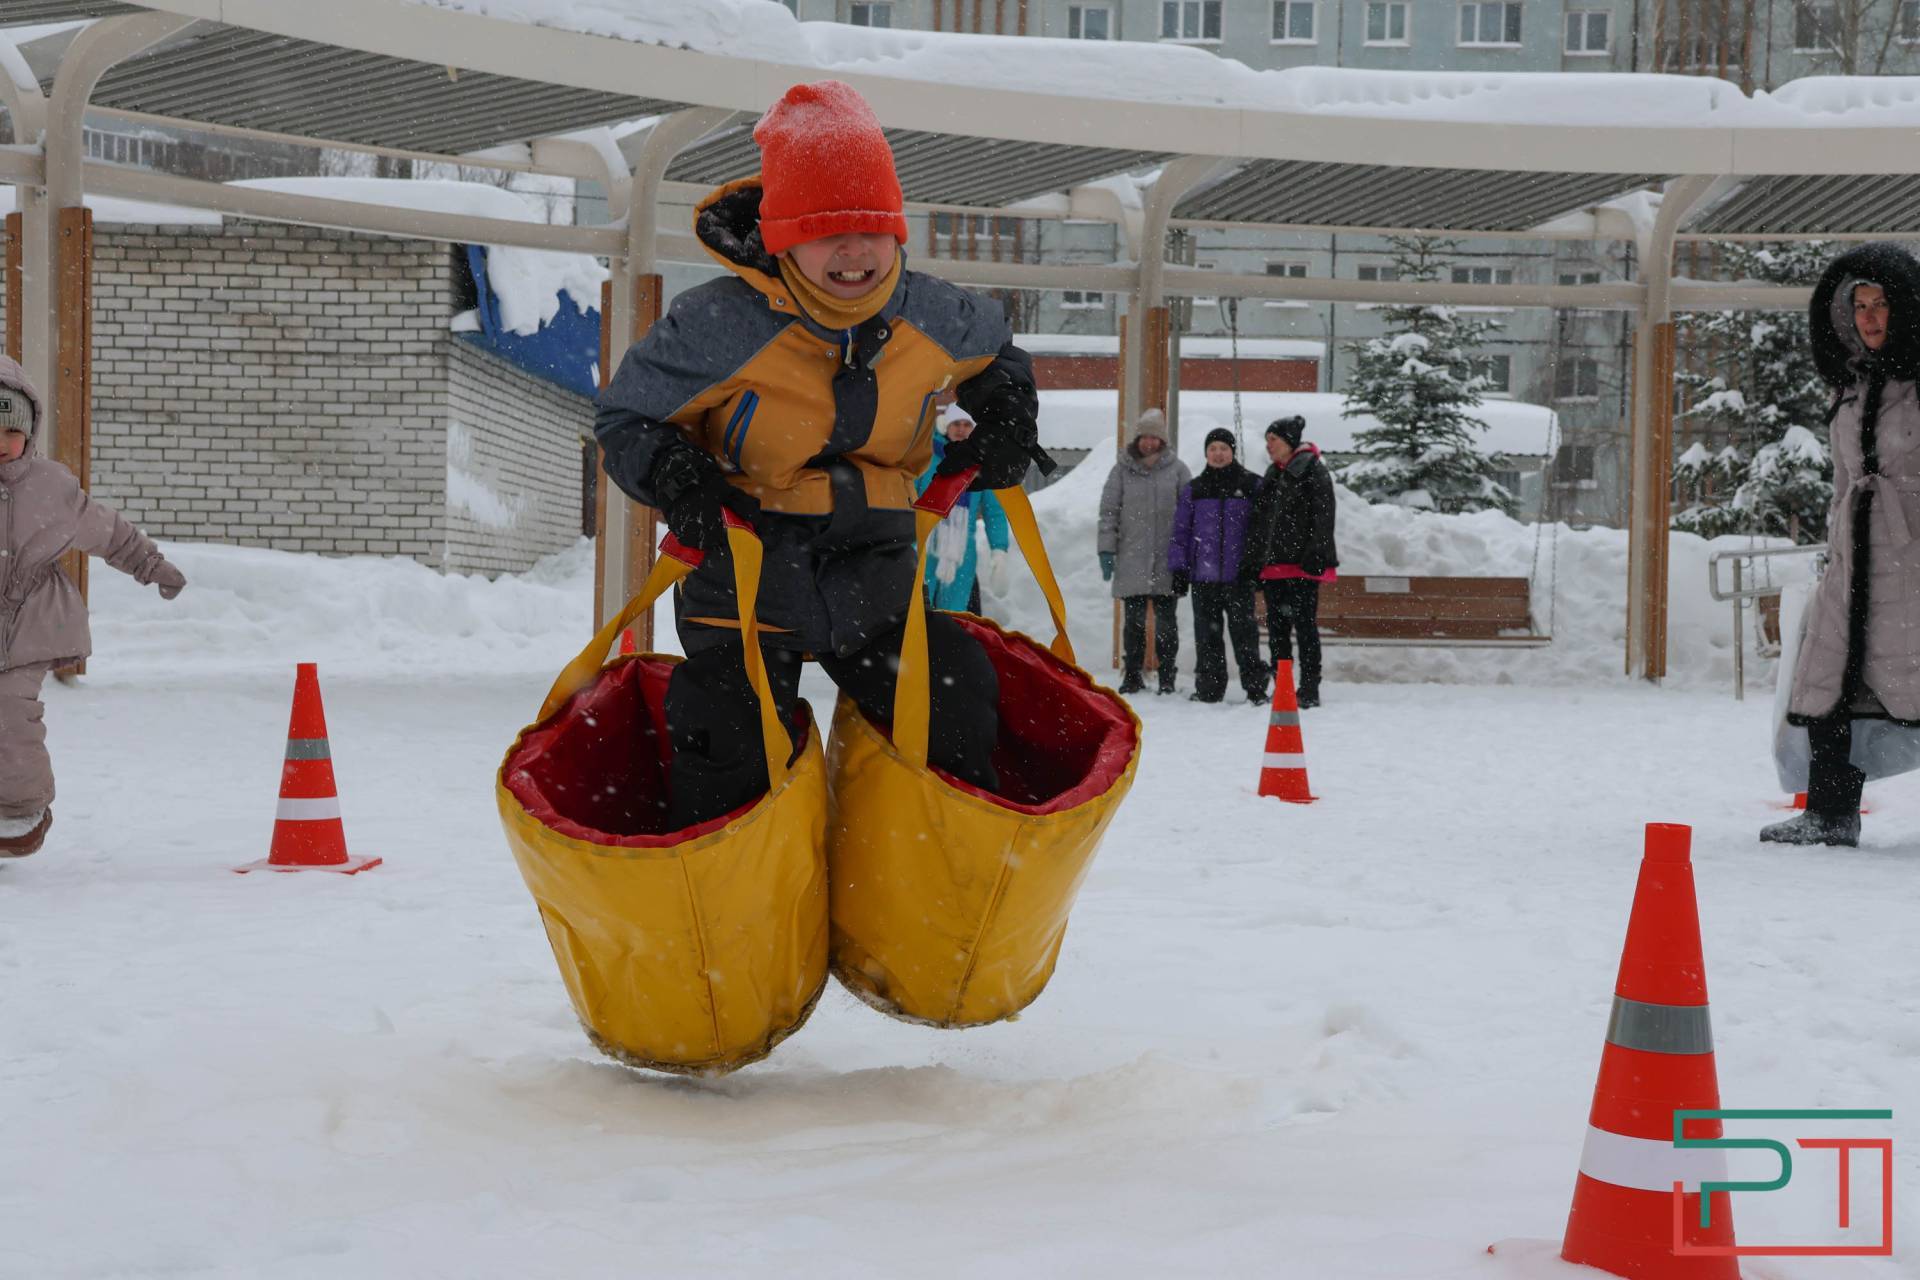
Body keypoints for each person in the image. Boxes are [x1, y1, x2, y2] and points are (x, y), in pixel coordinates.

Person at [594, 80, 1039, 829]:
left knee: (955, 695)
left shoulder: (936, 314)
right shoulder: (717, 326)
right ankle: (741, 928)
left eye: (872, 228)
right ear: (782, 237)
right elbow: (627, 417)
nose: (855, 251)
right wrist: (678, 475)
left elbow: (999, 358)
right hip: (746, 581)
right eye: (827, 229)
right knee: (726, 738)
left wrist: (1007, 412)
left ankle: (919, 912)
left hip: (876, 585)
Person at [0, 355, 186, 858]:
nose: (0, 443)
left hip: (29, 623)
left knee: (10, 715)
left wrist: (151, 565)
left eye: (9, 431)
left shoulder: (50, 487)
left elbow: (107, 531)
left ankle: (20, 812)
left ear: (29, 429)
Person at [1767, 243, 1920, 848]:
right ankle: (1830, 813)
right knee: (1829, 680)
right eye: (1859, 305)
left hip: (1914, 565)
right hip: (1855, 560)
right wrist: (1836, 549)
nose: (1870, 316)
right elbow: (1843, 481)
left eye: (1883, 303)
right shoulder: (1849, 390)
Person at [1242, 416, 1338, 709]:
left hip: (1301, 566)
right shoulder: (1273, 473)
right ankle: (1283, 685)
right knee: (1277, 630)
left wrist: (1315, 554)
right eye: (1267, 440)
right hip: (1274, 567)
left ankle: (1309, 688)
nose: (1269, 446)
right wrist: (1256, 561)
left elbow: (1324, 517)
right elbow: (1261, 523)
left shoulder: (1312, 471)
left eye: (1274, 440)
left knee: (1305, 628)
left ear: (1289, 442)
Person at [1169, 427, 1268, 705]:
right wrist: (1179, 569)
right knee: (1207, 637)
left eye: (1223, 448)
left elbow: (1261, 531)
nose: (1218, 453)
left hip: (1239, 577)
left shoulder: (1250, 485)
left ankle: (1256, 688)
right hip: (1204, 577)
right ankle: (1209, 689)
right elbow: (1181, 532)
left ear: (1232, 452)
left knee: (1244, 635)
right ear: (1206, 453)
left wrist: (1256, 566)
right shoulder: (1195, 489)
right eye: (1213, 448)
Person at [1098, 408, 1190, 696]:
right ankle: (1133, 674)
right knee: (1134, 622)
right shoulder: (1121, 470)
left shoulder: (1178, 470)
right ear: (1137, 439)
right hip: (1132, 557)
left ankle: (1167, 676)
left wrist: (1186, 555)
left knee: (1166, 624)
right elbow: (1109, 512)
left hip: (1167, 560)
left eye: (1154, 437)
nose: (1149, 442)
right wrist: (1106, 550)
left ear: (1162, 440)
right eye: (1144, 437)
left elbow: (1189, 514)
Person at [915, 407, 1011, 616]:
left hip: (962, 554)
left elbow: (994, 513)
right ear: (945, 426)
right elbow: (907, 498)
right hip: (924, 545)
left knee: (954, 616)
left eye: (967, 424)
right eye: (956, 424)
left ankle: (945, 648)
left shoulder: (981, 466)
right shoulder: (926, 456)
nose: (961, 429)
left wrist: (999, 552)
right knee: (917, 611)